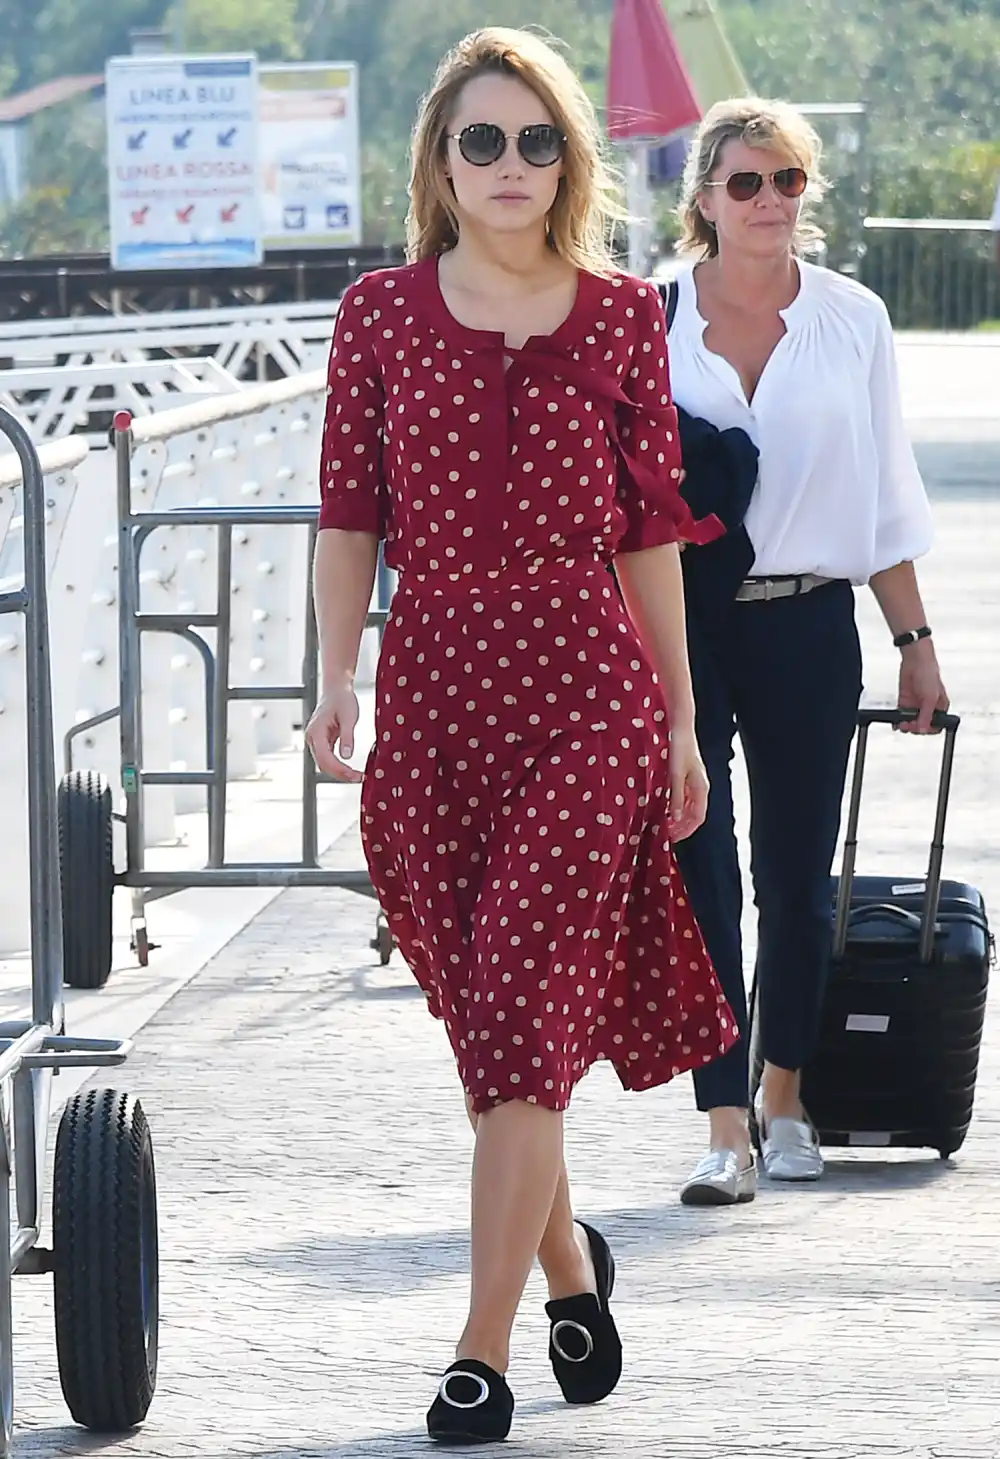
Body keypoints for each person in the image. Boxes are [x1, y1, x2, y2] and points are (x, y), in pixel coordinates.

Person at [305, 26, 736, 1446]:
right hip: (434, 696)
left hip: (585, 701)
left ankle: (476, 1351)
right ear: (439, 159)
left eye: (536, 139)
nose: (508, 164)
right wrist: (335, 678)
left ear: (571, 159)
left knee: (523, 1002)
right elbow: (351, 514)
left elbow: (649, 534)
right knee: (497, 1020)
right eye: (480, 140)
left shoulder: (623, 316)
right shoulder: (375, 314)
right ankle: (565, 1266)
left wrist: (677, 715)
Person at [661, 97, 949, 1208]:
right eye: (745, 183)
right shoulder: (648, 318)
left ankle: (786, 1094)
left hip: (809, 619)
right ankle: (721, 1118)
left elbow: (883, 493)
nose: (770, 201)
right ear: (704, 200)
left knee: (792, 871)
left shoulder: (852, 319)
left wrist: (913, 640)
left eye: (787, 181)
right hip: (682, 624)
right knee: (700, 872)